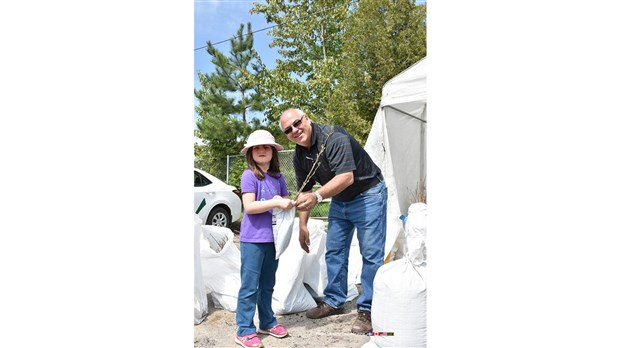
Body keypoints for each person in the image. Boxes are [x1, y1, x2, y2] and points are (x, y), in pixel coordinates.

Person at [279, 108, 387, 335]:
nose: (295, 130)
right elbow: (305, 190)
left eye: (297, 123)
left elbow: (346, 177)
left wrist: (318, 197)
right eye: (288, 130)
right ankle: (335, 301)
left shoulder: (333, 138)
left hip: (368, 193)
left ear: (306, 118)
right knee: (335, 251)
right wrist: (302, 225)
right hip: (340, 199)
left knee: (371, 253)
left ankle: (368, 310)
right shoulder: (300, 155)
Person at [235, 130, 294, 348]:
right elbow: (249, 206)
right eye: (257, 147)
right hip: (253, 240)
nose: (261, 150)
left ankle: (267, 321)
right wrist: (277, 202)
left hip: (274, 239)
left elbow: (286, 201)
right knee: (250, 286)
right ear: (250, 153)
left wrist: (291, 203)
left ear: (273, 152)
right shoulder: (249, 175)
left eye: (266, 147)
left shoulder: (278, 177)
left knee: (268, 284)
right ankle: (244, 329)